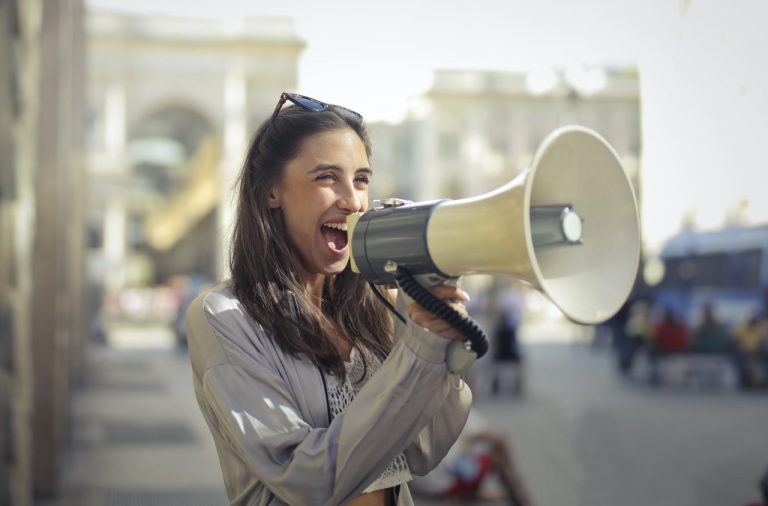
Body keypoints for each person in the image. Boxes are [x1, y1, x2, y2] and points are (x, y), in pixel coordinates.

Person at [186, 93, 473, 505]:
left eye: (360, 179)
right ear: (271, 192)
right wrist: (416, 352)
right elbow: (307, 480)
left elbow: (422, 450)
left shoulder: (375, 305)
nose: (353, 200)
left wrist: (438, 346)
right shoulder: (224, 316)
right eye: (326, 178)